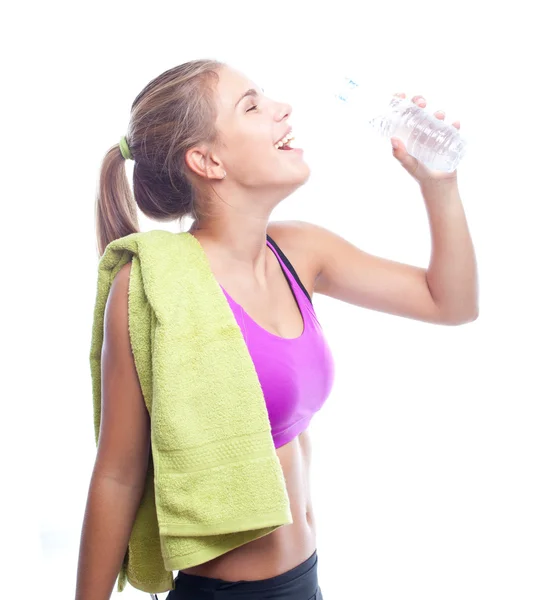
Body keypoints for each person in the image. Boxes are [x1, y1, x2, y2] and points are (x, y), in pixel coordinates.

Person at [75, 59, 478, 600]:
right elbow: (117, 476)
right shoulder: (150, 285)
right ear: (206, 160)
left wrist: (440, 184)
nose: (282, 108)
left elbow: (450, 303)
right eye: (253, 105)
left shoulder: (300, 251)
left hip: (305, 580)